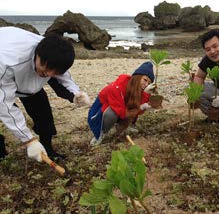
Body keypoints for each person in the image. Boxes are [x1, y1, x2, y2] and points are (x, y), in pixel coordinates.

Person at [0, 26, 90, 162]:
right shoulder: (7, 63)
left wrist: (75, 94)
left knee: (43, 114)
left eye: (53, 71)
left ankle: (48, 149)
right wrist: (29, 140)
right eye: (45, 68)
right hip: (5, 68)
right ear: (38, 54)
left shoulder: (53, 52)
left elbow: (63, 76)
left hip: (24, 69)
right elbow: (5, 106)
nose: (47, 74)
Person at [88, 61, 156, 145]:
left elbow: (136, 109)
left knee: (133, 106)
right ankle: (100, 133)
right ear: (137, 77)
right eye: (145, 80)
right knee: (111, 113)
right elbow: (121, 112)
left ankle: (121, 128)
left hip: (120, 111)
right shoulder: (116, 88)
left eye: (149, 83)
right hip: (98, 115)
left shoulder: (138, 89)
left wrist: (147, 97)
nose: (146, 84)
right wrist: (141, 107)